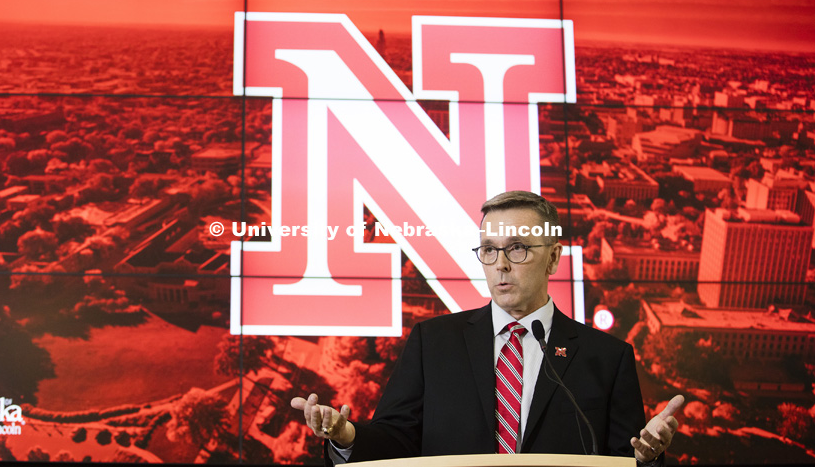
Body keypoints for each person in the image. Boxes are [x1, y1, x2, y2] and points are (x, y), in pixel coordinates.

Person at [291, 191, 682, 466]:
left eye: (517, 248)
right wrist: (345, 436)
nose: (501, 264)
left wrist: (646, 459)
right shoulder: (434, 343)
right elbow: (397, 441)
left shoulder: (608, 358)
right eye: (490, 250)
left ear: (553, 258)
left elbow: (622, 458)